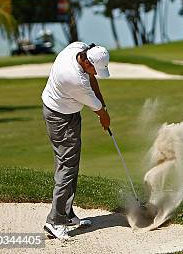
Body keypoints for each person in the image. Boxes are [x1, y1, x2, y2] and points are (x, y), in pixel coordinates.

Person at [41, 42, 111, 240]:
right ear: (87, 62)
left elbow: (93, 81)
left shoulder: (77, 48)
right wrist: (104, 115)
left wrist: (103, 106)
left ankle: (67, 213)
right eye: (95, 70)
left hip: (65, 111)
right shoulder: (75, 79)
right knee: (67, 167)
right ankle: (54, 221)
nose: (96, 74)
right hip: (60, 118)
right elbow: (97, 108)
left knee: (70, 164)